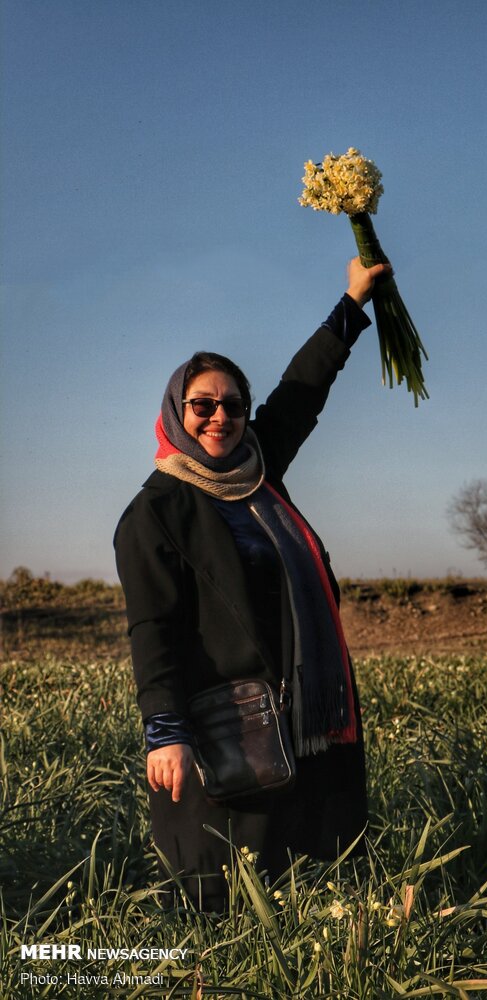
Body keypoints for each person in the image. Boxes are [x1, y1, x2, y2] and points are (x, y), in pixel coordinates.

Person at [114, 256, 389, 911]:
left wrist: (352, 304)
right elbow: (153, 629)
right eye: (202, 405)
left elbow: (300, 389)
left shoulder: (259, 470)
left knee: (307, 877)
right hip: (224, 720)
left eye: (232, 404)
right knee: (227, 885)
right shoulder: (155, 513)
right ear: (176, 412)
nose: (220, 417)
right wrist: (165, 732)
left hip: (299, 711)